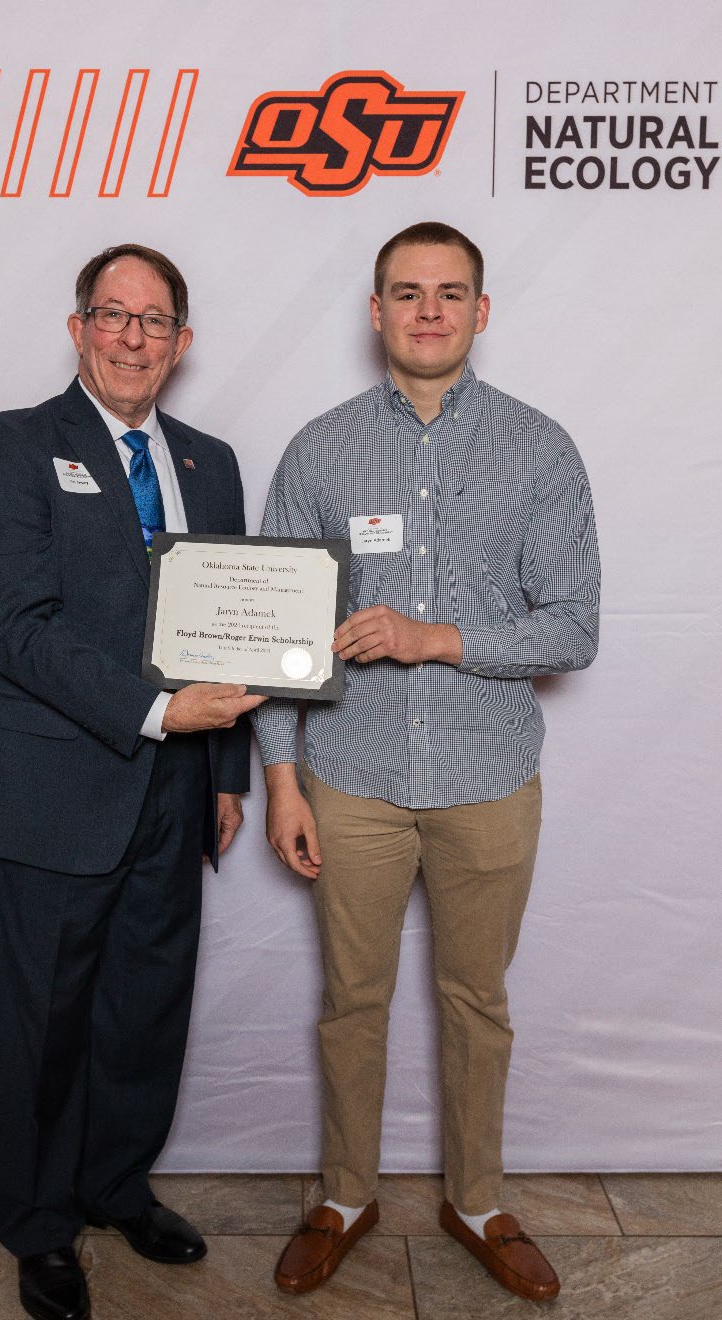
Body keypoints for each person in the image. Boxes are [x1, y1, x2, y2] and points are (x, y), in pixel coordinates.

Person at [252, 222, 599, 1303]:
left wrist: (434, 637)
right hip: (348, 778)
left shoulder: (539, 448)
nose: (429, 311)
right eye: (407, 292)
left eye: (450, 293)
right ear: (376, 312)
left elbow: (573, 629)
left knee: (475, 1000)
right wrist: (280, 780)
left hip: (487, 778)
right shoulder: (319, 449)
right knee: (350, 1001)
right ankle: (344, 1197)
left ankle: (477, 1201)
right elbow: (277, 634)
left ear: (480, 311)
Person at [0, 243, 263, 1320]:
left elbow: (232, 631)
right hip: (56, 782)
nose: (134, 337)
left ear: (183, 340)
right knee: (41, 1018)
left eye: (155, 319)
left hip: (179, 786)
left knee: (146, 1006)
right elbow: (17, 628)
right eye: (113, 314)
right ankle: (38, 1224)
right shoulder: (14, 444)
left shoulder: (212, 463)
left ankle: (115, 1186)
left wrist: (225, 772)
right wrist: (159, 711)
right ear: (79, 327)